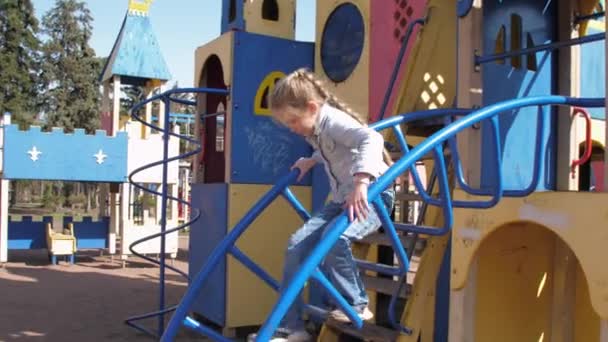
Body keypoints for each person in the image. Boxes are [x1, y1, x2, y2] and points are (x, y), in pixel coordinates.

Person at [253, 68, 395, 342]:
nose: (293, 129)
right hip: (342, 198)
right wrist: (312, 160)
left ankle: (356, 303)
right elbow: (334, 147)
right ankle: (291, 326)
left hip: (373, 196)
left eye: (293, 122)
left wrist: (362, 183)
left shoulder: (333, 121)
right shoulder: (318, 127)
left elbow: (371, 138)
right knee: (296, 245)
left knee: (335, 238)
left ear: (312, 107)